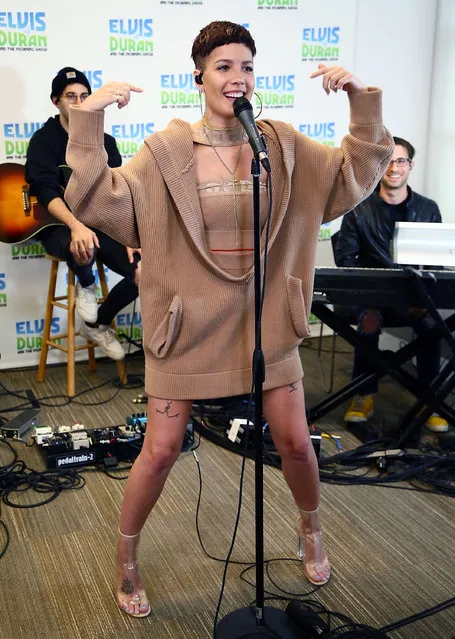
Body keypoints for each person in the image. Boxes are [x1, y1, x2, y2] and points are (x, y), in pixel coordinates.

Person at [64, 22, 393, 617]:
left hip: (267, 322)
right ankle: (127, 556)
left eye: (246, 67)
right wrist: (89, 120)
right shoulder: (165, 151)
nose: (237, 78)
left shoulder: (281, 143)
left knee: (295, 440)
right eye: (223, 66)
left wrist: (359, 102)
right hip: (188, 328)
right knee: (160, 450)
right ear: (198, 75)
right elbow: (99, 202)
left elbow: (354, 175)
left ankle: (311, 528)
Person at [25, 67, 141, 361]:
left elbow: (116, 192)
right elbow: (46, 190)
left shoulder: (107, 142)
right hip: (58, 225)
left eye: (85, 96)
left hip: (100, 224)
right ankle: (86, 284)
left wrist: (129, 232)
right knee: (81, 240)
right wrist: (76, 225)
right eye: (70, 96)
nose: (78, 102)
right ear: (56, 101)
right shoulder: (44, 140)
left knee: (145, 271)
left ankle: (98, 322)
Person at [334, 137, 448, 433]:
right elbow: (346, 260)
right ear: (380, 165)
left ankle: (429, 400)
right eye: (389, 161)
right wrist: (369, 294)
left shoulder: (428, 209)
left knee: (431, 325)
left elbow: (435, 262)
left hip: (412, 296)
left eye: (401, 161)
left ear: (410, 166)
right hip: (370, 297)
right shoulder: (358, 207)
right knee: (369, 322)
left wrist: (423, 296)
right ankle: (363, 394)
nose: (394, 168)